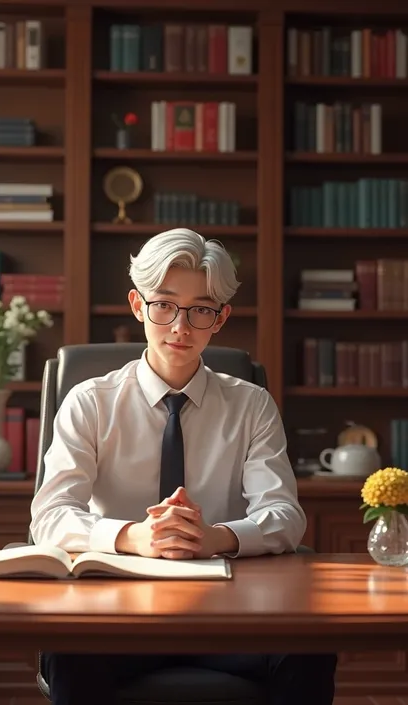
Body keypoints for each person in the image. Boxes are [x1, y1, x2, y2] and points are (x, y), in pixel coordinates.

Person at [30, 228, 337, 705]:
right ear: (138, 305)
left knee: (307, 649)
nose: (180, 326)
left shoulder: (251, 406)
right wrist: (134, 537)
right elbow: (49, 517)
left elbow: (283, 515)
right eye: (165, 305)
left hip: (228, 614)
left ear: (221, 318)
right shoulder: (89, 403)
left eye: (201, 310)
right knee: (71, 652)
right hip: (117, 613)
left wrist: (214, 537)